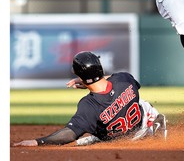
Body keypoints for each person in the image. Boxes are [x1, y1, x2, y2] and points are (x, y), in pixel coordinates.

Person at [13, 51, 167, 147]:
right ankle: (152, 124)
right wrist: (89, 82)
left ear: (79, 75)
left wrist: (38, 141)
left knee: (95, 128)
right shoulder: (124, 78)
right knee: (140, 101)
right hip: (139, 124)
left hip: (119, 139)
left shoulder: (88, 105)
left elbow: (70, 133)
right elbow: (112, 81)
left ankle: (100, 137)